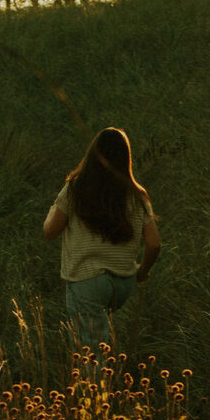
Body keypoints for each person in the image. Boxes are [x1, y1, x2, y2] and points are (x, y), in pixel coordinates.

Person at [43, 127, 162, 350]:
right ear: (125, 158)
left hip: (88, 281)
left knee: (91, 353)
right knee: (99, 337)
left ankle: (98, 385)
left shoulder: (75, 188)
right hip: (123, 283)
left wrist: (54, 208)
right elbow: (154, 243)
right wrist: (142, 272)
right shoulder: (137, 194)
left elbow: (49, 232)